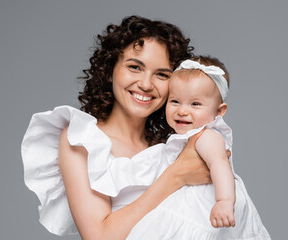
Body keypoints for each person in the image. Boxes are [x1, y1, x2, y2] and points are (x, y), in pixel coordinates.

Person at [21, 16, 217, 239]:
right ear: (110, 68)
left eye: (162, 74)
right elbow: (99, 236)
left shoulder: (175, 144)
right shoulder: (81, 140)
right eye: (134, 67)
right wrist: (176, 177)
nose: (145, 84)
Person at [125, 56, 271, 239]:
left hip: (202, 209)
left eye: (195, 104)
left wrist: (224, 201)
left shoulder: (207, 136)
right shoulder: (183, 139)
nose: (182, 111)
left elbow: (220, 164)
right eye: (175, 101)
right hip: (183, 205)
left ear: (219, 112)